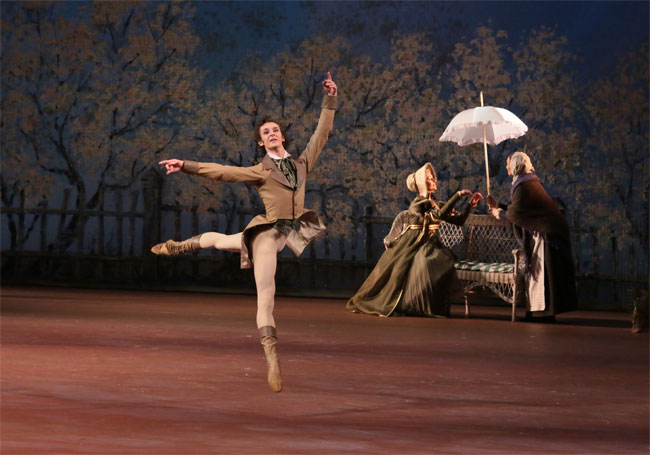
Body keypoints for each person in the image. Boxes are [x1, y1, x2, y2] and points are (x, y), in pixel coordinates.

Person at [151, 73, 338, 392]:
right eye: (266, 132)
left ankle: (181, 246)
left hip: (287, 232)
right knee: (267, 295)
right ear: (261, 143)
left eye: (276, 130)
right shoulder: (259, 171)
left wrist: (330, 98)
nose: (272, 133)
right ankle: (271, 359)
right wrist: (187, 165)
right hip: (267, 235)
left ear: (282, 137)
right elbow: (224, 171)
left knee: (225, 242)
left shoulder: (303, 164)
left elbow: (323, 131)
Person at [346, 163, 483, 317]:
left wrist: (470, 205)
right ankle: (412, 304)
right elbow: (437, 215)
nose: (434, 181)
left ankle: (428, 305)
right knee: (418, 264)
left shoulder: (436, 204)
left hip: (430, 242)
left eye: (433, 178)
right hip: (413, 242)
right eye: (430, 179)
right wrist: (457, 196)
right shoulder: (417, 204)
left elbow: (458, 221)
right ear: (422, 184)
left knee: (436, 260)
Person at [487, 151, 578, 321]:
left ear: (515, 166)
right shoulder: (527, 182)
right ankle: (537, 312)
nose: (506, 167)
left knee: (541, 274)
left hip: (545, 236)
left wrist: (499, 212)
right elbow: (520, 210)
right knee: (539, 274)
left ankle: (541, 313)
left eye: (508, 164)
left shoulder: (525, 186)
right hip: (543, 233)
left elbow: (517, 213)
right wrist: (498, 205)